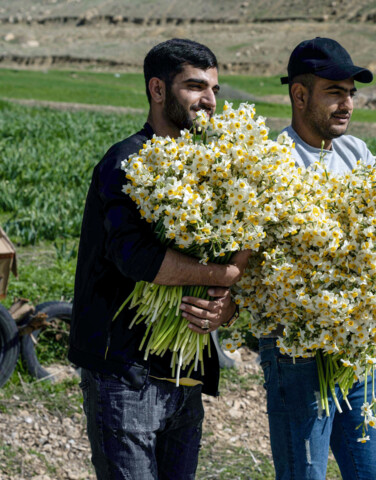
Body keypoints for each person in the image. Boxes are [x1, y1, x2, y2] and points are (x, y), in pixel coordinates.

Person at [70, 38, 250, 480]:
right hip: (125, 373)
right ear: (157, 89)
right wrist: (224, 273)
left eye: (214, 89)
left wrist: (225, 304)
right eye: (195, 86)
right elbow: (134, 257)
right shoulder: (126, 160)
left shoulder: (214, 166)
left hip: (183, 372)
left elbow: (234, 250)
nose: (209, 100)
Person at [257, 37, 376, 480]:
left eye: (351, 93)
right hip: (297, 349)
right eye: (335, 92)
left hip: (361, 346)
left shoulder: (357, 153)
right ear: (300, 95)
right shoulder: (272, 161)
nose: (347, 104)